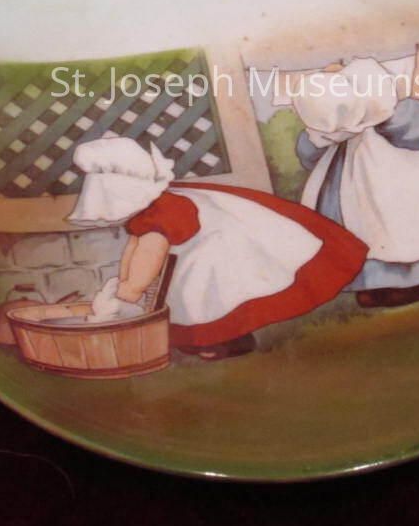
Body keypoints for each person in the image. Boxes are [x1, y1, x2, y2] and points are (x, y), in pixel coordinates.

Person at [67, 137, 366, 360]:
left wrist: (131, 290)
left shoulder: (159, 216)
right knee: (196, 292)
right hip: (210, 240)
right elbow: (135, 246)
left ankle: (224, 341)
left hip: (217, 247)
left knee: (207, 293)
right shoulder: (153, 208)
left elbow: (149, 255)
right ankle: (207, 338)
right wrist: (125, 280)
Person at [285, 47, 419, 308]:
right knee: (394, 224)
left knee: (364, 231)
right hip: (385, 181)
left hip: (339, 190)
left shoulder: (329, 135)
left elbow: (308, 153)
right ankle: (399, 285)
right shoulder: (385, 122)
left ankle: (372, 289)